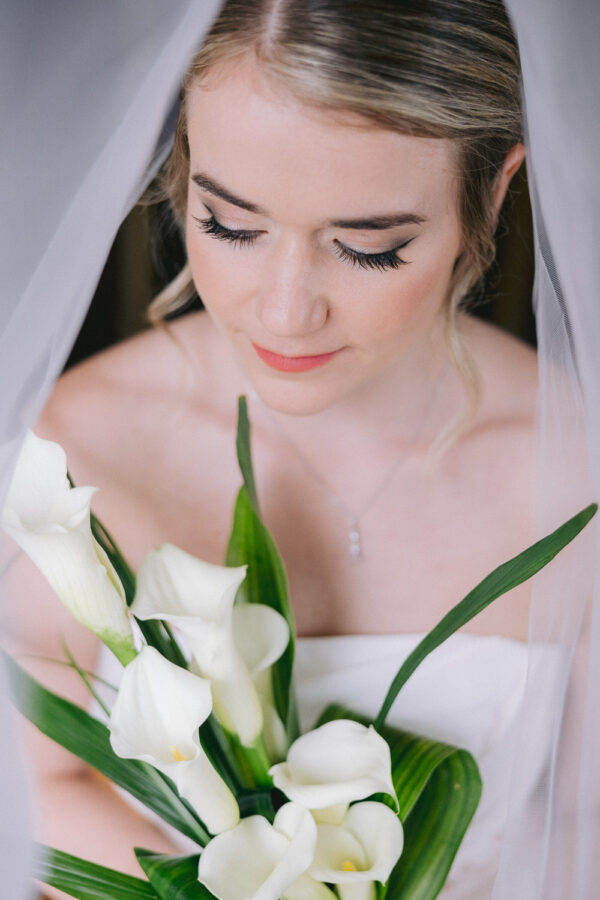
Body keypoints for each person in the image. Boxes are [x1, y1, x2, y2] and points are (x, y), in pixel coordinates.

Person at [0, 1, 597, 898]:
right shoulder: (71, 457)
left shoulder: (573, 465)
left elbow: (579, 824)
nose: (283, 311)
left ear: (495, 190)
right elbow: (39, 791)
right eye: (232, 226)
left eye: (368, 248)